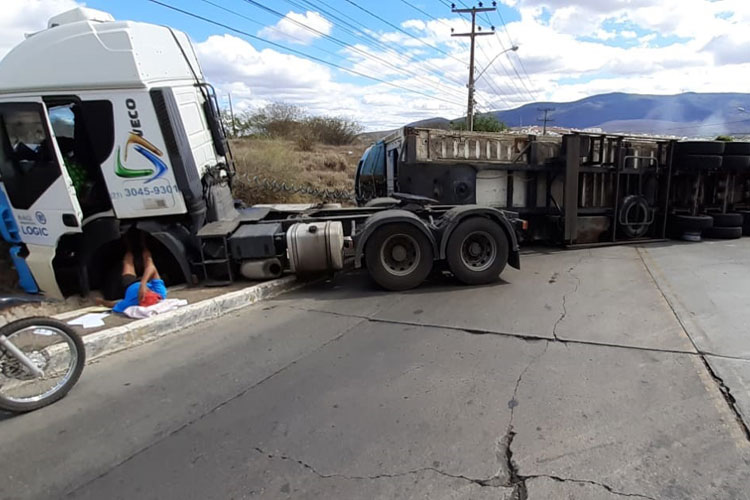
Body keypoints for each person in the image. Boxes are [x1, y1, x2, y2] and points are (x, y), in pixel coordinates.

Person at [97, 232, 167, 313]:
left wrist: (102, 302)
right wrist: (143, 284)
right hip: (144, 282)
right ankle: (143, 243)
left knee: (128, 260)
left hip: (129, 283)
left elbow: (114, 304)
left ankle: (128, 245)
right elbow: (152, 268)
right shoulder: (160, 292)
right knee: (148, 258)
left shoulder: (131, 303)